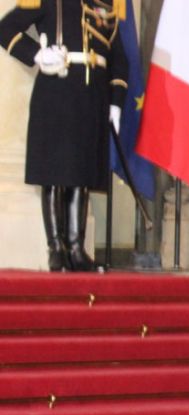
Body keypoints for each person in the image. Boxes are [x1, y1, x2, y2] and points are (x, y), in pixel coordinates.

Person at [0, 0, 128, 272]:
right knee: (54, 173)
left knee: (80, 175)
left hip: (92, 98)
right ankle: (56, 248)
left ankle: (76, 248)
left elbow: (118, 59)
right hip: (57, 91)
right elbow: (6, 28)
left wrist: (116, 101)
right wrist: (37, 54)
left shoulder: (105, 7)